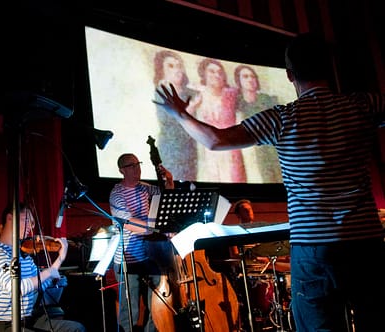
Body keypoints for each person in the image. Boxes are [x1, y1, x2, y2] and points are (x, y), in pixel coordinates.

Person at [154, 32, 385, 332]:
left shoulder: (283, 118)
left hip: (313, 247)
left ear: (290, 75)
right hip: (364, 242)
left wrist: (181, 113)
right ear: (328, 68)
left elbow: (215, 140)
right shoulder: (363, 105)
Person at [0, 202, 86, 332]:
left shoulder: (24, 256)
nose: (31, 226)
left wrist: (59, 260)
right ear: (10, 218)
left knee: (75, 329)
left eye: (32, 223)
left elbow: (40, 284)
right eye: (27, 220)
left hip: (26, 320)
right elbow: (18, 289)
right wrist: (50, 271)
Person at [109, 153, 174, 332]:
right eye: (132, 166)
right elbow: (130, 224)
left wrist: (169, 182)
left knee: (157, 303)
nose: (137, 168)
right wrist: (158, 228)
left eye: (138, 164)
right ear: (122, 170)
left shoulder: (145, 188)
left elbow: (167, 198)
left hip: (149, 254)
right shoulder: (117, 194)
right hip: (127, 258)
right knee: (130, 311)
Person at [189, 58, 246, 183]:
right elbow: (185, 116)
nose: (217, 75)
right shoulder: (200, 95)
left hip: (231, 149)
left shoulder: (231, 94)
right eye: (212, 71)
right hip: (211, 151)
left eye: (220, 72)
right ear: (204, 74)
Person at [153, 50, 198, 182]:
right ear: (162, 71)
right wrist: (191, 109)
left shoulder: (189, 92)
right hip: (172, 151)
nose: (178, 70)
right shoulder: (161, 92)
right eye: (171, 66)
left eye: (179, 66)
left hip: (190, 151)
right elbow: (170, 122)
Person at [234, 64, 282, 183]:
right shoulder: (237, 103)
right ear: (238, 81)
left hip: (273, 150)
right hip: (252, 154)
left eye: (253, 76)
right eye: (245, 76)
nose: (250, 79)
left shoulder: (268, 100)